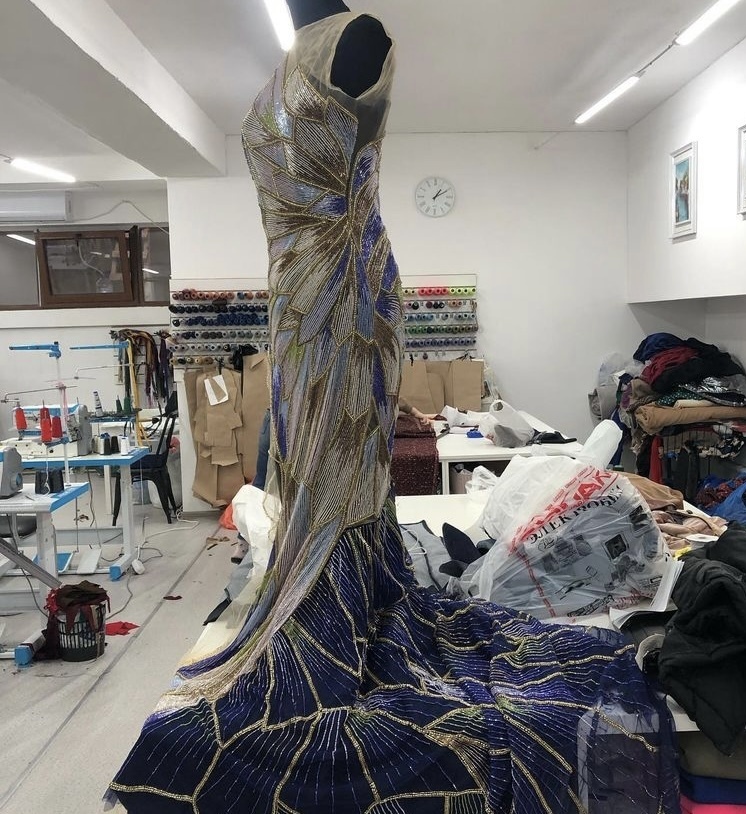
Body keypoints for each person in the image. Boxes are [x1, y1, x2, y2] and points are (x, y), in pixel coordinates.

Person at [107, 4, 680, 812]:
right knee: (308, 461)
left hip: (339, 285)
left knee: (334, 466)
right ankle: (319, 592)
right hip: (304, 285)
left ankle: (330, 611)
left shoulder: (351, 35)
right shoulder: (307, 44)